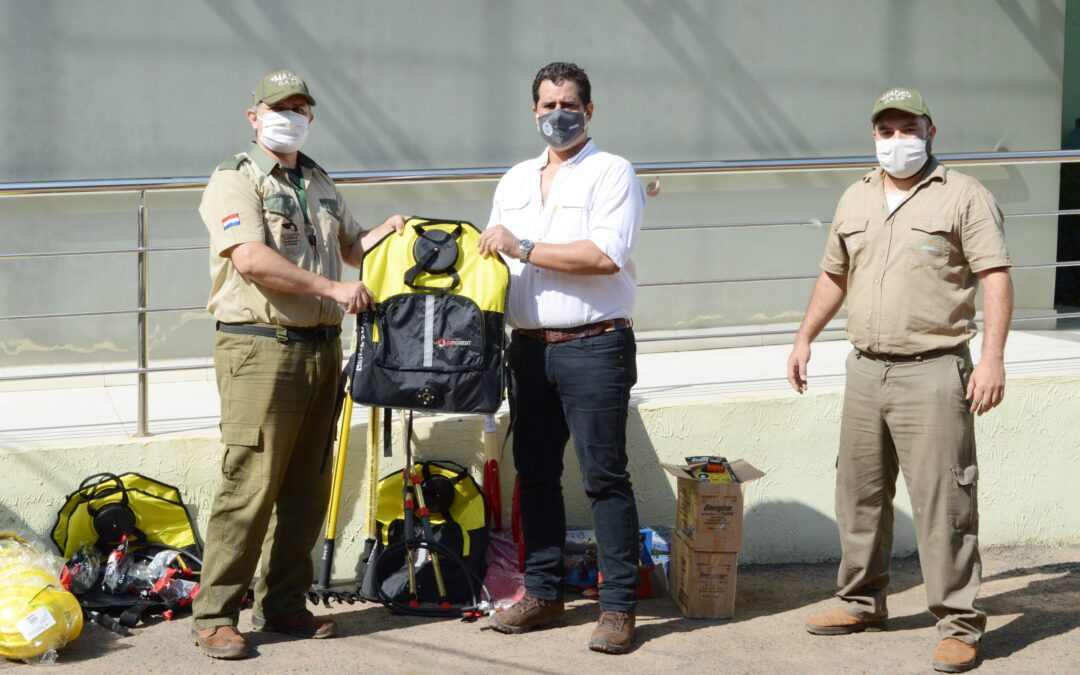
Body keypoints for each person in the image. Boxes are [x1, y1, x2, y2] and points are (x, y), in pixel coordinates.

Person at [787, 88, 1013, 673]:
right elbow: (834, 274)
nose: (896, 141)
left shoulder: (965, 196)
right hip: (866, 369)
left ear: (930, 131)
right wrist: (804, 337)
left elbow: (995, 278)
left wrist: (992, 359)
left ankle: (959, 623)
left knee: (946, 503)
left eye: (907, 128)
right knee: (859, 495)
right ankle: (861, 600)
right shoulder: (856, 196)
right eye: (885, 131)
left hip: (935, 371)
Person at [191, 69, 404, 660]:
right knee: (250, 485)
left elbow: (353, 246)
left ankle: (283, 602)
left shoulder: (319, 179)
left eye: (300, 106)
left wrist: (394, 231)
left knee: (307, 490)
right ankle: (215, 614)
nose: (291, 115)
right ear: (254, 115)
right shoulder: (236, 179)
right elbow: (252, 259)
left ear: (310, 116)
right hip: (261, 348)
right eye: (278, 106)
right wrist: (333, 291)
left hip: (320, 351)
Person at [478, 61, 646, 655]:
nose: (557, 114)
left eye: (568, 104)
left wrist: (523, 246)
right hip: (527, 350)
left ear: (589, 110)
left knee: (604, 478)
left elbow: (605, 254)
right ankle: (543, 594)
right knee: (537, 476)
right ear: (533, 112)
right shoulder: (515, 180)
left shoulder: (612, 173)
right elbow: (490, 259)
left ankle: (619, 607)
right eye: (547, 105)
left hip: (593, 344)